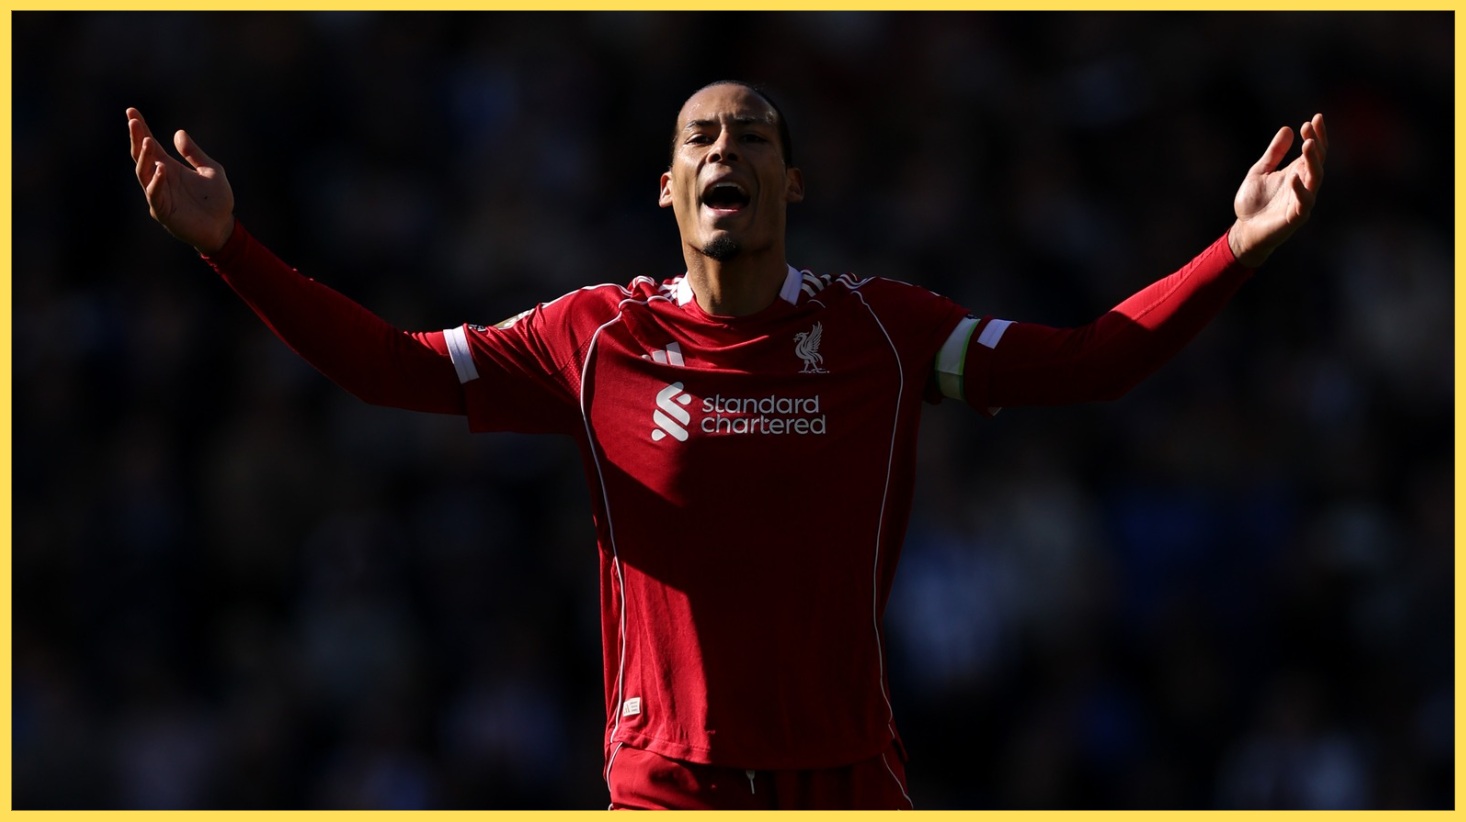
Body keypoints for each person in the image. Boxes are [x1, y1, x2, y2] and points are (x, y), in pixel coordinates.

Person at [127, 80, 1327, 810]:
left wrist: (1237, 249)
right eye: (701, 137)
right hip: (671, 787)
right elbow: (385, 367)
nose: (724, 154)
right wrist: (228, 247)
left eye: (752, 138)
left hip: (848, 779)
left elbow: (1088, 362)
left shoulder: (879, 330)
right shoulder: (591, 337)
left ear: (789, 181)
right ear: (665, 186)